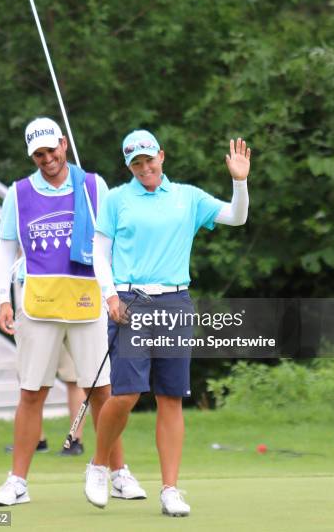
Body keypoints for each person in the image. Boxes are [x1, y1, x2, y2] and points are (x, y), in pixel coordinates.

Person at [85, 129, 251, 516]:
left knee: (171, 397)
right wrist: (109, 294)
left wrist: (239, 181)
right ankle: (98, 465)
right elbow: (99, 251)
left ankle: (170, 489)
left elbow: (236, 217)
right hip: (130, 300)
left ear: (161, 155)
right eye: (136, 163)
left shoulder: (187, 197)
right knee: (125, 395)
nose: (144, 167)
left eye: (149, 159)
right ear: (129, 165)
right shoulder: (117, 199)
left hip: (175, 301)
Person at [0, 117, 145, 506]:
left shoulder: (93, 186)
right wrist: (2, 299)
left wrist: (115, 291)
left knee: (103, 393)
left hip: (88, 300)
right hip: (39, 302)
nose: (48, 159)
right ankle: (17, 482)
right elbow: (5, 248)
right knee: (31, 392)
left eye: (52, 150)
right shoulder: (19, 192)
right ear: (33, 155)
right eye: (39, 154)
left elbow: (110, 242)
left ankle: (118, 473)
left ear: (64, 144)